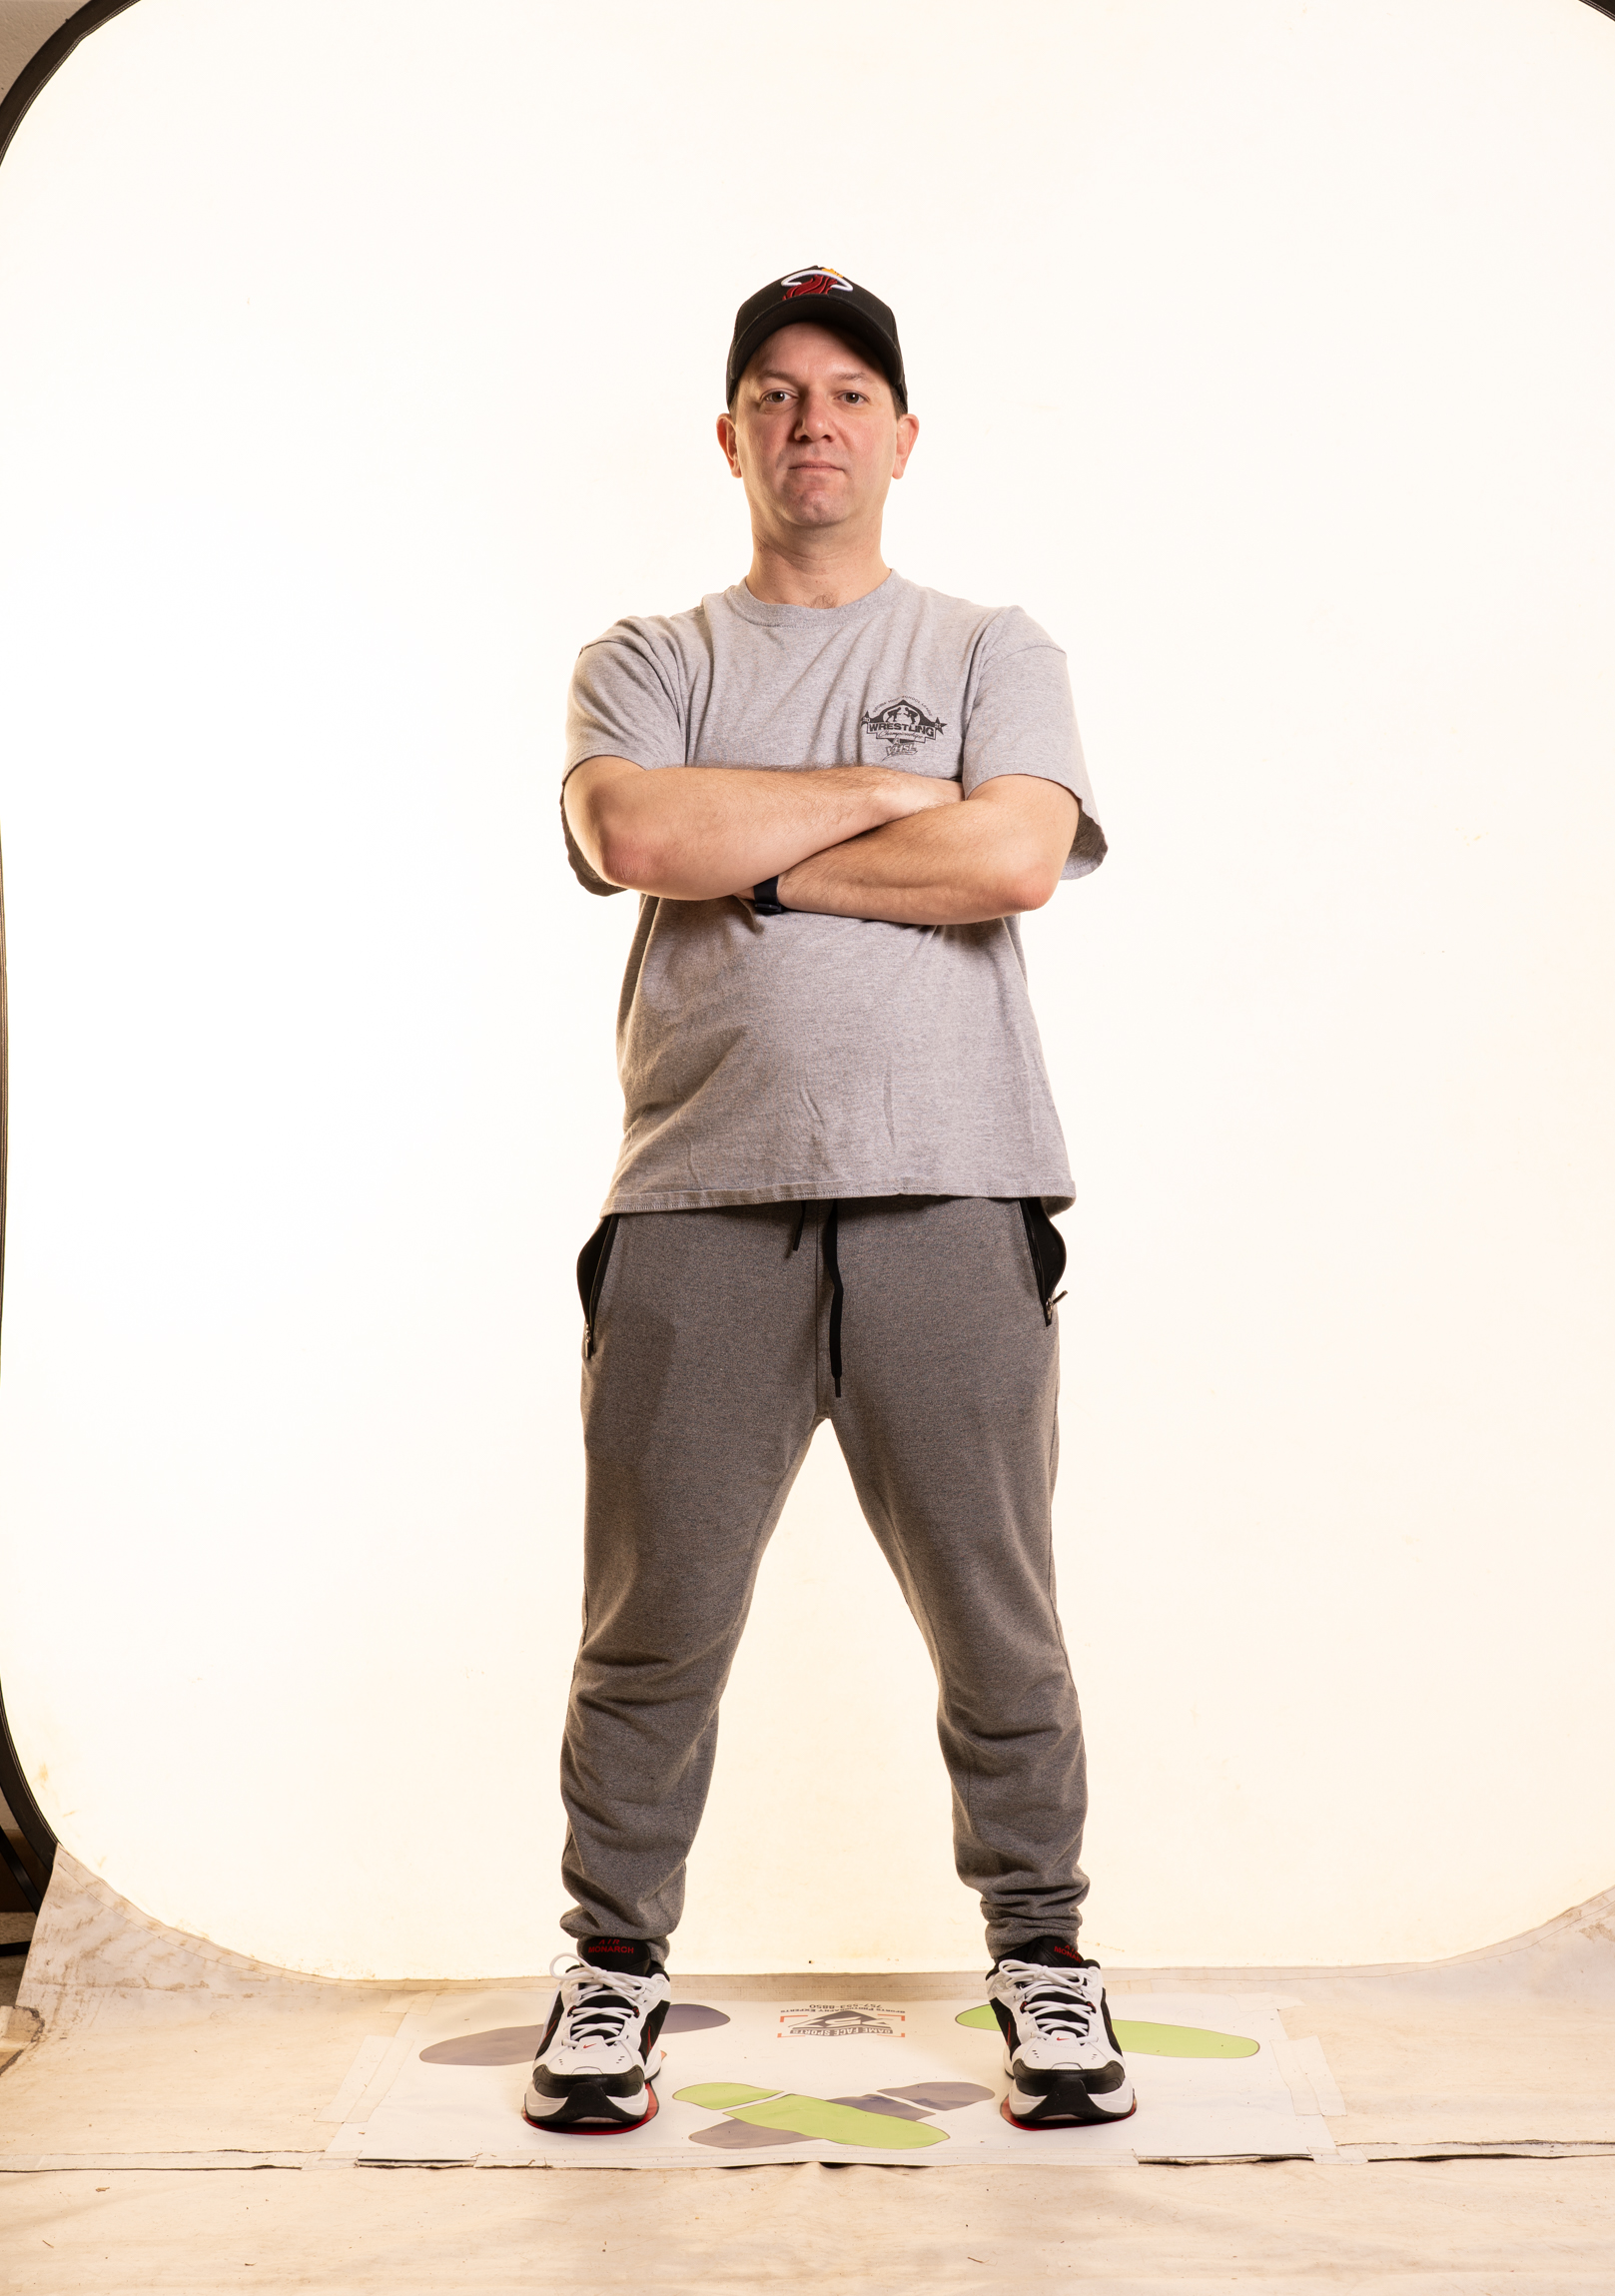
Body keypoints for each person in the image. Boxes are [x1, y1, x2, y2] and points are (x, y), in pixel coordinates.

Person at [528, 266, 1128, 2139]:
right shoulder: (648, 657)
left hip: (954, 1185)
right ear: (730, 436)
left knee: (997, 1624)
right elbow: (638, 831)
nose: (813, 422)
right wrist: (882, 799)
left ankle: (1043, 1952)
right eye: (777, 394)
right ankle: (612, 1966)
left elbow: (1013, 855)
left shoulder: (991, 646)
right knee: (652, 1628)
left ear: (901, 435)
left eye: (849, 392)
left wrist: (769, 858)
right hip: (700, 1195)